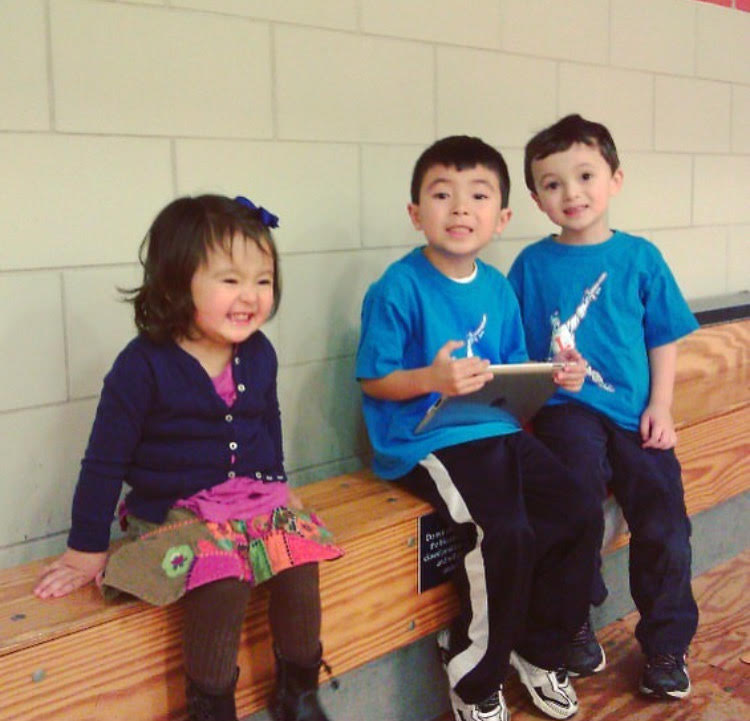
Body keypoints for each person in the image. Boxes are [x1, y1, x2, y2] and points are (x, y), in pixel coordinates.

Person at [34, 194, 343, 721]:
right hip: (176, 514)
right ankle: (211, 706)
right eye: (230, 280)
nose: (250, 296)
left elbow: (267, 422)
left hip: (253, 501)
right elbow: (103, 461)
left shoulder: (259, 352)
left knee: (299, 560)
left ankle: (300, 693)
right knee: (218, 577)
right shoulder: (141, 366)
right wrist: (85, 549)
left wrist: (279, 483)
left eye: (263, 280)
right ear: (178, 283)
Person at [356, 135, 602, 721]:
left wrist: (557, 377)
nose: (460, 208)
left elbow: (513, 369)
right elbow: (374, 380)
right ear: (416, 213)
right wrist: (432, 379)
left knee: (577, 508)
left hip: (496, 428)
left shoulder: (497, 286)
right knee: (507, 534)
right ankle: (474, 676)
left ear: (502, 217)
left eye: (478, 195)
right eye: (442, 194)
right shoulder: (397, 287)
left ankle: (538, 649)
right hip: (429, 437)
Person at [508, 114, 699, 700]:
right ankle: (571, 621)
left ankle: (666, 644)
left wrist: (661, 406)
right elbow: (516, 353)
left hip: (634, 410)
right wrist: (546, 383)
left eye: (585, 175)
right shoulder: (531, 266)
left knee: (664, 517)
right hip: (568, 409)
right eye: (552, 183)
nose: (572, 193)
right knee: (574, 500)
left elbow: (662, 337)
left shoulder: (641, 258)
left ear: (615, 179)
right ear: (538, 199)